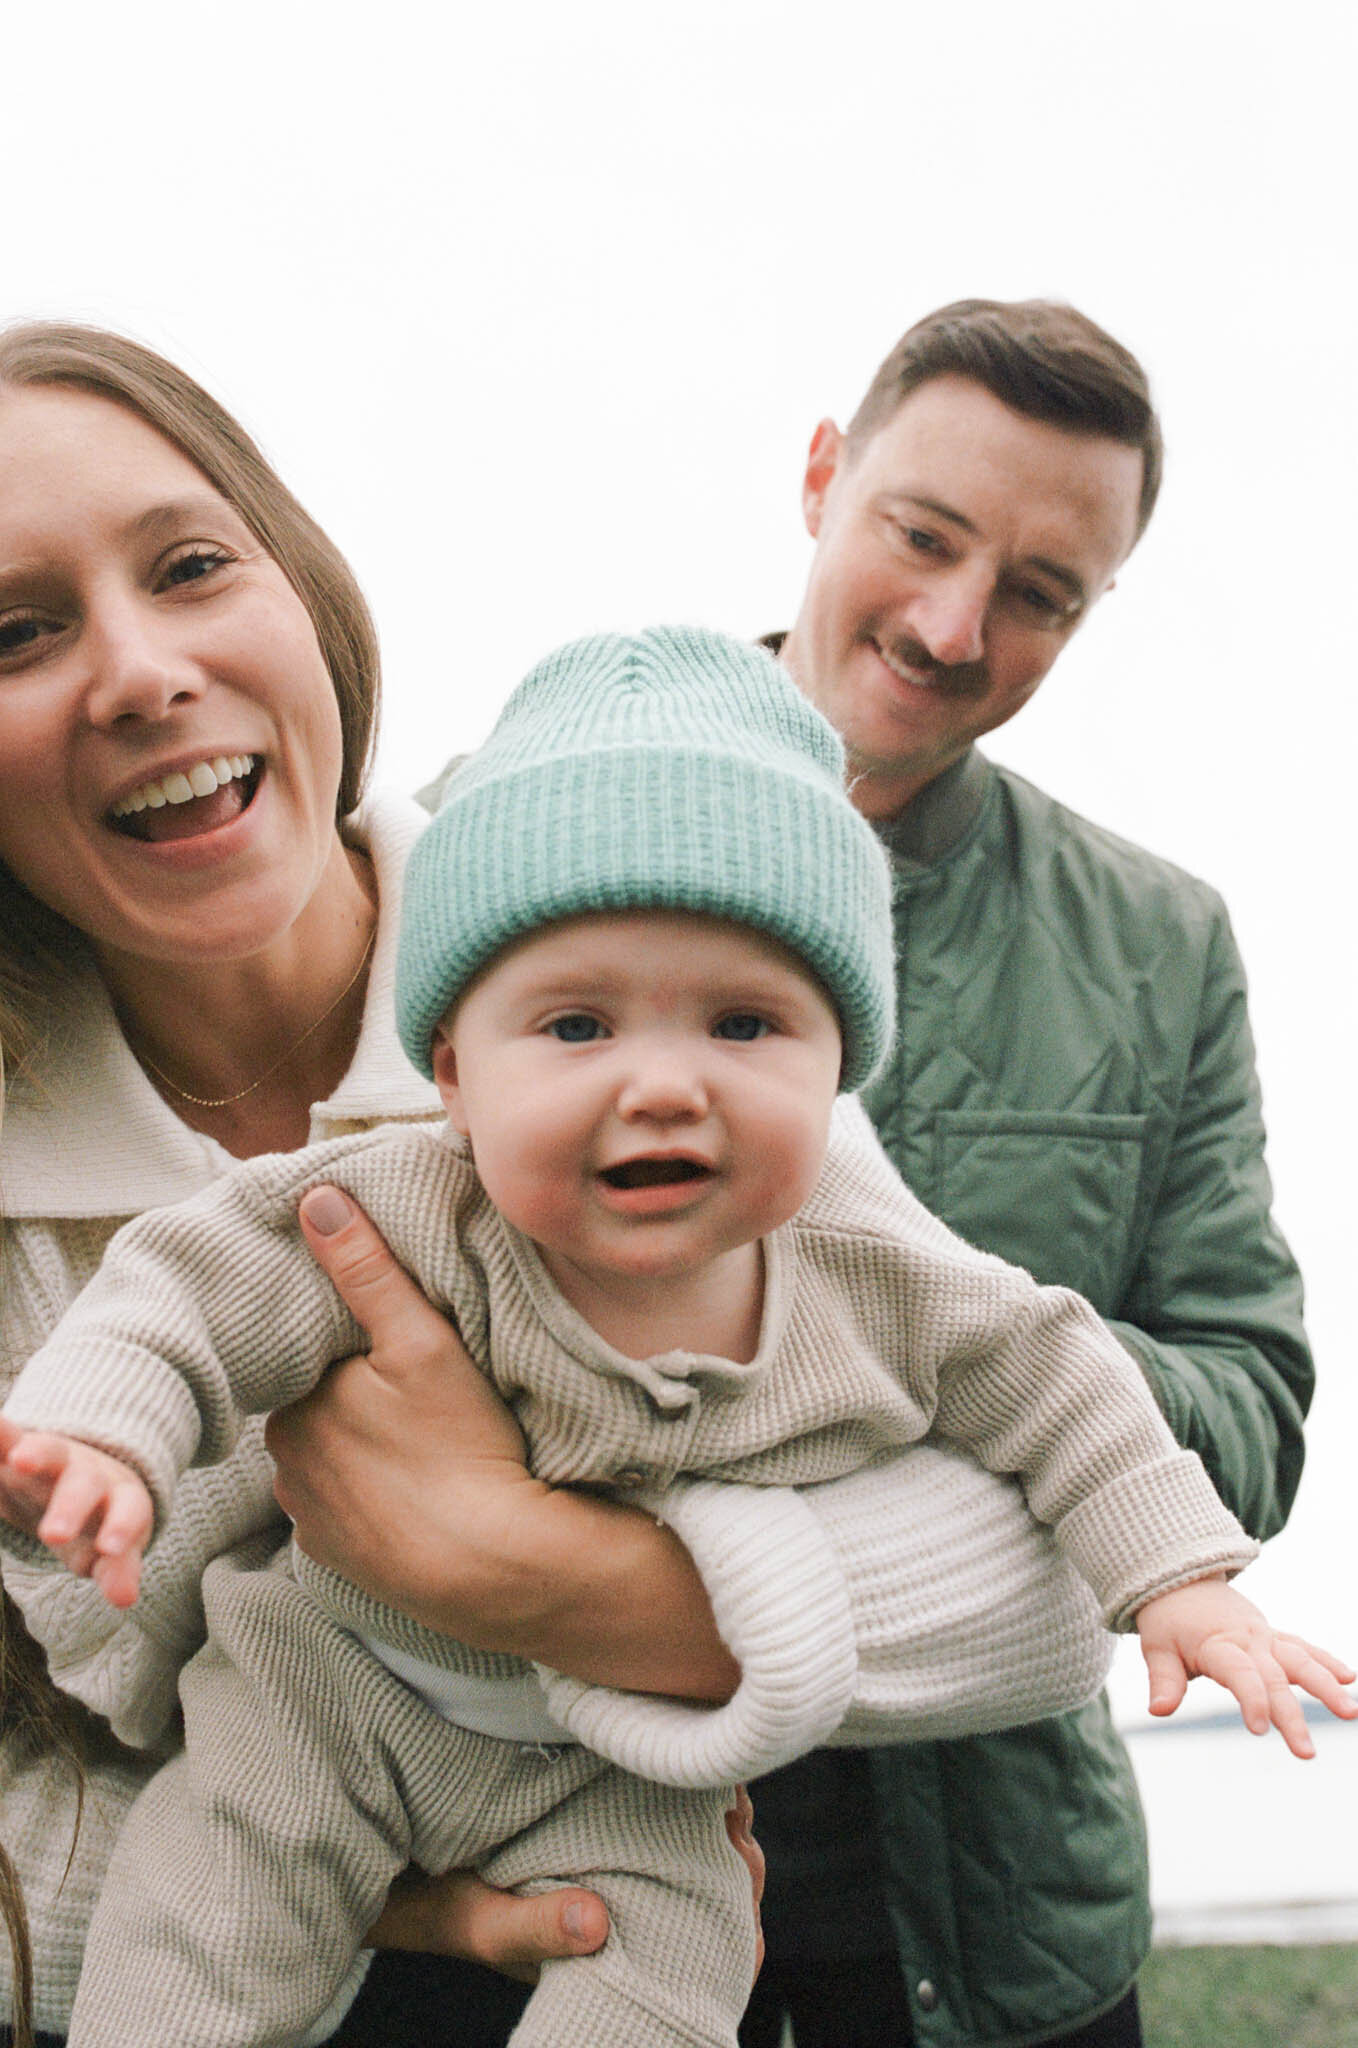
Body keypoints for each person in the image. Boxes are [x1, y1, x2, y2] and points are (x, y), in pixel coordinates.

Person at [0, 324, 1128, 2048]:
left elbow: (1048, 1578)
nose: (143, 671)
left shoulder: (662, 1004)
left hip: (615, 1828)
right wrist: (333, 1900)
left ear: (301, 586)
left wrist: (539, 1575)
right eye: (15, 630)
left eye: (191, 564)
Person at [734, 298, 1319, 2047]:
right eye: (921, 536)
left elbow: (1253, 1410)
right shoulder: (493, 835)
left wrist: (964, 1358)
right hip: (577, 1901)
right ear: (823, 475)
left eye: (1039, 592)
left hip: (1011, 1940)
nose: (949, 624)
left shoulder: (1159, 944)